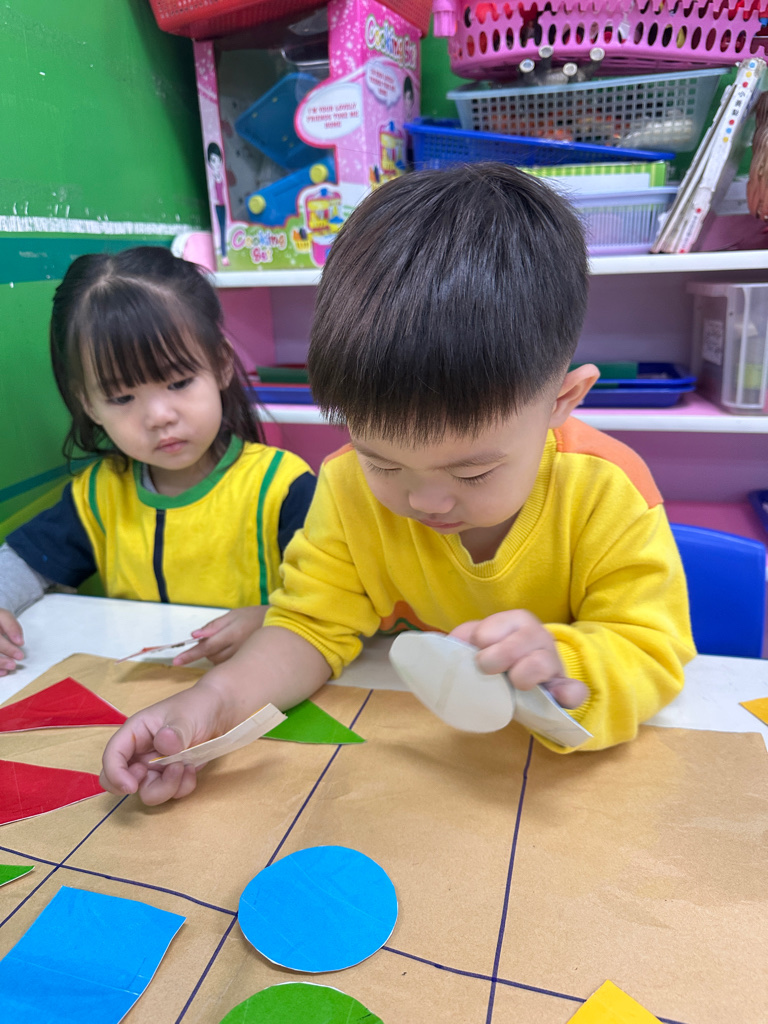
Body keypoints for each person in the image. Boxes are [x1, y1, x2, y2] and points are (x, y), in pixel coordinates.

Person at [101, 164, 695, 805]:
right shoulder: (346, 487)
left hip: (565, 792)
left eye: (472, 471)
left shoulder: (604, 491)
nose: (424, 501)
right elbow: (310, 626)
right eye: (382, 461)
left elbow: (650, 651)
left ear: (563, 400)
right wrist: (211, 704)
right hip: (427, 773)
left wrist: (563, 668)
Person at [0, 246, 315, 675]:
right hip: (143, 690)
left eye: (179, 382)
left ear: (221, 365)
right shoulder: (97, 495)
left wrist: (274, 619)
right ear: (89, 405)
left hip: (261, 683)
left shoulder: (282, 485)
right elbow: (22, 562)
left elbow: (338, 593)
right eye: (121, 397)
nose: (159, 417)